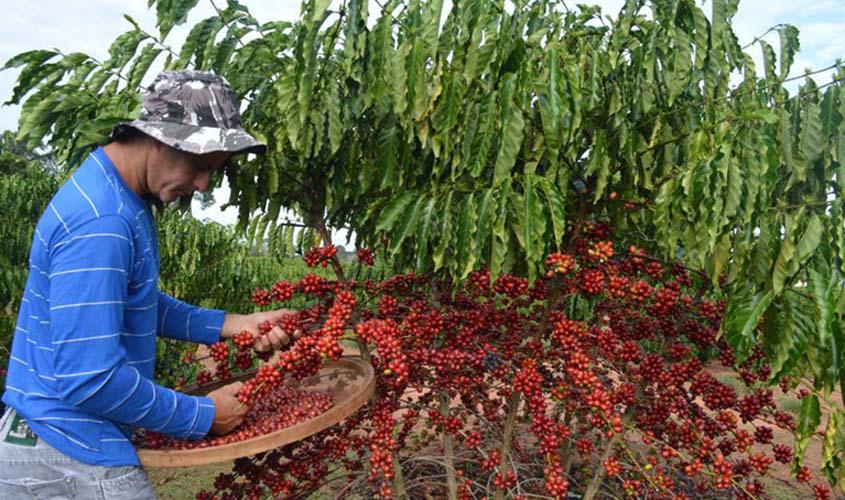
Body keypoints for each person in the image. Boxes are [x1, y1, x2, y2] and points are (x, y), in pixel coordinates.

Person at [0, 70, 295, 499]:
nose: (202, 184)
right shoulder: (103, 222)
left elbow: (127, 303)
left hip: (48, 435)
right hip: (69, 451)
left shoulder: (117, 195)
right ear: (160, 139)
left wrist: (232, 324)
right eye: (199, 165)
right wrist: (202, 415)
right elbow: (91, 380)